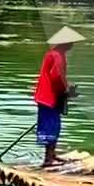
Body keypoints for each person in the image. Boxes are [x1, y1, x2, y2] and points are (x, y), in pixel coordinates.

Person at [33, 26, 83, 167]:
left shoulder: (54, 54)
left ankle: (51, 155)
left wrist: (66, 89)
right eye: (71, 42)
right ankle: (48, 159)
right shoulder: (57, 56)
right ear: (65, 42)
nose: (72, 45)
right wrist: (66, 91)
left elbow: (58, 77)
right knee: (51, 126)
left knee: (52, 125)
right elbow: (56, 77)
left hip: (47, 96)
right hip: (49, 97)